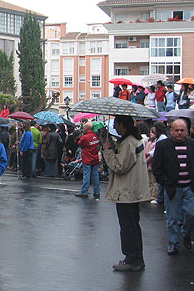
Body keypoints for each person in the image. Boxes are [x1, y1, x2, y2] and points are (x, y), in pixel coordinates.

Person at [102, 115, 150, 271]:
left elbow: (120, 166)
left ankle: (132, 259)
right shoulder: (131, 140)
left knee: (128, 226)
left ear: (122, 124)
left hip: (126, 191)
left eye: (116, 124)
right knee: (132, 225)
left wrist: (108, 151)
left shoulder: (129, 142)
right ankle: (136, 257)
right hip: (131, 190)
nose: (114, 127)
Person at [152, 119, 194, 255]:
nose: (180, 133)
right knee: (172, 218)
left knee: (191, 214)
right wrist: (165, 182)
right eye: (177, 130)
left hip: (189, 187)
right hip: (172, 188)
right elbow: (157, 167)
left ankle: (186, 234)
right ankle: (173, 244)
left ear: (187, 131)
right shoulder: (163, 145)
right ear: (172, 131)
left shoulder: (192, 144)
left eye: (182, 130)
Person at [75, 122, 101, 199]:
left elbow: (80, 144)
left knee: (86, 175)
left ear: (85, 128)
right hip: (95, 158)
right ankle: (97, 191)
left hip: (87, 158)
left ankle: (84, 191)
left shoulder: (84, 137)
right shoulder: (96, 136)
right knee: (95, 175)